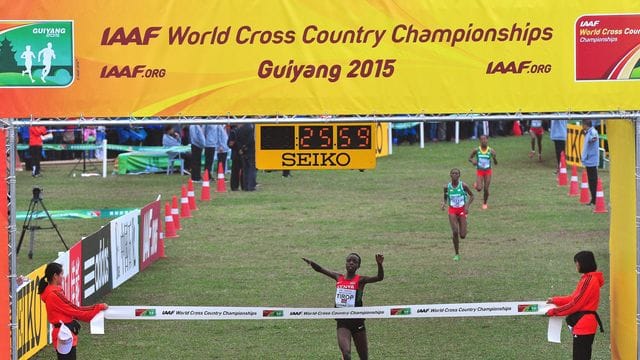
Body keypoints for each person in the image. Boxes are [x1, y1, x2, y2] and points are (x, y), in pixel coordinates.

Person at [302, 253, 384, 360]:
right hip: (342, 322)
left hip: (357, 321)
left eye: (354, 262)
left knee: (364, 357)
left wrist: (379, 264)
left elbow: (379, 277)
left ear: (358, 266)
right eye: (349, 260)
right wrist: (311, 263)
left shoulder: (360, 280)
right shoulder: (338, 277)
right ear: (345, 263)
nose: (351, 263)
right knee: (346, 354)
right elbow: (321, 269)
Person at [38, 262, 108, 360]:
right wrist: (98, 307)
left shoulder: (51, 292)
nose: (63, 276)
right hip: (64, 335)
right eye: (61, 274)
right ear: (55, 276)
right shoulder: (54, 294)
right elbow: (75, 310)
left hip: (63, 333)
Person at [546, 251, 604, 360]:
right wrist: (555, 300)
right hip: (583, 323)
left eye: (577, 262)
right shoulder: (587, 279)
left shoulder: (589, 281)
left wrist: (554, 311)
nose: (576, 265)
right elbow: (574, 298)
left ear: (584, 263)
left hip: (584, 324)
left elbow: (575, 304)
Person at [440, 168, 474, 261]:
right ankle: (457, 254)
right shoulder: (447, 187)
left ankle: (464, 225)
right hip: (452, 210)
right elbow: (445, 196)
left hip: (462, 210)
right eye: (453, 173)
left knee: (462, 235)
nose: (455, 175)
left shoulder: (463, 185)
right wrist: (444, 203)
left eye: (457, 173)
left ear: (459, 175)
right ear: (450, 175)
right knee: (455, 232)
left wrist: (467, 206)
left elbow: (472, 196)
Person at [468, 135, 497, 209]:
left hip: (488, 171)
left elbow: (496, 163)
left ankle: (485, 203)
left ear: (487, 140)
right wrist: (473, 161)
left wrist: (494, 158)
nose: (484, 141)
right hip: (480, 171)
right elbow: (469, 158)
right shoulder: (476, 150)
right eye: (482, 139)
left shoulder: (491, 150)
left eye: (485, 139)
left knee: (486, 188)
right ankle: (477, 185)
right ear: (480, 141)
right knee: (479, 188)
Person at [581, 120, 599, 206]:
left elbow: (594, 138)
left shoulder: (592, 131)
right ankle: (593, 198)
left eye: (582, 124)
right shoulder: (588, 132)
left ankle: (595, 199)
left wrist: (591, 139)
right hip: (589, 160)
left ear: (585, 125)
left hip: (591, 160)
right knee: (591, 181)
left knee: (593, 181)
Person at [235, 123, 257, 191]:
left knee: (245, 169)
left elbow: (237, 140)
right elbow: (251, 140)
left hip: (243, 151)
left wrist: (241, 148)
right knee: (251, 169)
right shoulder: (251, 128)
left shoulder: (239, 129)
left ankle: (245, 186)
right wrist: (246, 147)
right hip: (250, 150)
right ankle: (251, 186)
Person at [227, 125, 243, 191]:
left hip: (237, 153)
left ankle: (235, 186)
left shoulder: (233, 132)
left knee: (236, 171)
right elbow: (230, 144)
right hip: (237, 153)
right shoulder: (234, 132)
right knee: (237, 171)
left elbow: (229, 144)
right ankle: (236, 186)